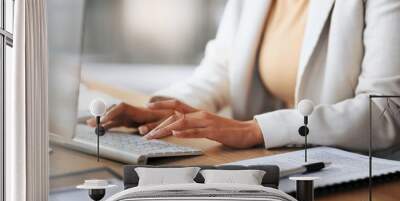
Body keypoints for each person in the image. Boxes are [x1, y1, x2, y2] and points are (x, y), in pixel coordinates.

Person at [88, 0, 400, 151]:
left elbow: (386, 111)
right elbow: (221, 69)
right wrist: (167, 109)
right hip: (276, 164)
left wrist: (255, 130)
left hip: (363, 177)